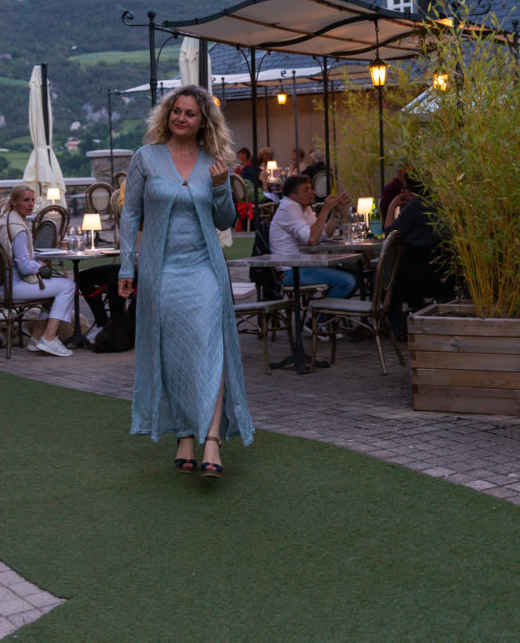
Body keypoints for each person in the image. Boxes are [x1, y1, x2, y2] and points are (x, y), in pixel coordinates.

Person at [117, 84, 254, 478]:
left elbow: (225, 220)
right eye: (176, 110)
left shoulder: (214, 161)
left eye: (190, 113)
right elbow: (130, 216)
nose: (181, 117)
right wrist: (128, 266)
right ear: (168, 115)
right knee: (174, 355)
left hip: (204, 270)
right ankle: (184, 436)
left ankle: (212, 439)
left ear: (203, 121)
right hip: (161, 273)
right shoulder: (146, 158)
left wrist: (219, 185)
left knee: (212, 349)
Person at [0, 185, 76, 357]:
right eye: (26, 200)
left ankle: (36, 338)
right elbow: (24, 267)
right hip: (12, 287)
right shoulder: (19, 229)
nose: (31, 204)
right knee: (68, 286)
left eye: (32, 200)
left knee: (54, 289)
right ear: (14, 202)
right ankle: (50, 338)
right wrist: (39, 265)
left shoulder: (4, 222)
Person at [383, 173, 452, 337]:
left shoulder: (413, 208)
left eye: (405, 189)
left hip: (412, 279)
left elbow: (389, 236)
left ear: (412, 190)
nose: (403, 193)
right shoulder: (441, 206)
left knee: (383, 282)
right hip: (442, 277)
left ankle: (396, 329)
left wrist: (392, 206)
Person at [269, 174, 357, 299]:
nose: (312, 192)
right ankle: (322, 317)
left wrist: (336, 211)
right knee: (347, 282)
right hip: (291, 271)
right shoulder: (288, 207)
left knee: (357, 277)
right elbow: (312, 240)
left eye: (311, 188)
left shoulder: (305, 208)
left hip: (306, 266)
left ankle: (327, 313)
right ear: (293, 196)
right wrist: (325, 210)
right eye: (306, 190)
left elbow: (324, 234)